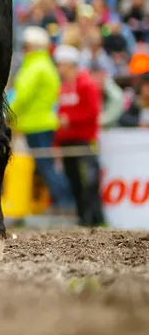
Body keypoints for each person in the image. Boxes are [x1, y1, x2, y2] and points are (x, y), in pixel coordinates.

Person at [8, 26, 72, 212]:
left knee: (46, 167)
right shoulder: (41, 65)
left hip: (37, 124)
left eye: (27, 45)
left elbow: (21, 96)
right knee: (44, 166)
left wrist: (7, 114)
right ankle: (61, 203)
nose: (24, 48)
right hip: (38, 123)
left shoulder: (36, 67)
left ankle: (65, 204)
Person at [52, 46, 107, 228]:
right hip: (67, 141)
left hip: (84, 140)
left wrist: (70, 119)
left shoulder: (86, 84)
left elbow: (93, 111)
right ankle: (83, 217)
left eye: (60, 64)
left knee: (89, 181)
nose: (58, 68)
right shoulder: (64, 87)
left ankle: (94, 218)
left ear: (70, 65)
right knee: (74, 180)